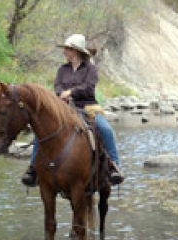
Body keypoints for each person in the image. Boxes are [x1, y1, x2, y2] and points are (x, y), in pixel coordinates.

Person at [21, 34, 124, 187]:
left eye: (67, 49)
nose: (64, 52)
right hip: (65, 108)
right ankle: (33, 168)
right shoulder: (62, 69)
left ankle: (113, 165)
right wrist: (61, 94)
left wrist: (71, 92)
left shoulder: (90, 69)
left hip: (87, 107)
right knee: (41, 130)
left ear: (76, 51)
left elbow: (89, 87)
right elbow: (58, 86)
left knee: (105, 129)